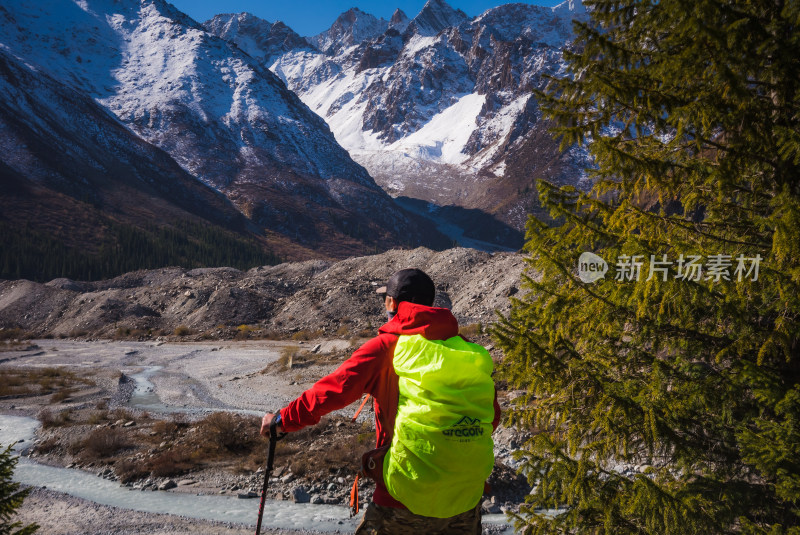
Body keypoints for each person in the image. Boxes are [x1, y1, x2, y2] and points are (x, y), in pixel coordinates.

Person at [261, 268, 501, 534]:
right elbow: (492, 416)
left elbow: (332, 391)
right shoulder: (464, 349)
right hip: (464, 501)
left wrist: (282, 420)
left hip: (400, 499)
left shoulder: (386, 346)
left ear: (391, 303)